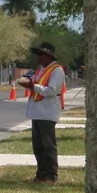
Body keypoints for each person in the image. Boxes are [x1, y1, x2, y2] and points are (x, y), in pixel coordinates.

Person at [19, 42, 65, 183]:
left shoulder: (57, 71)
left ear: (48, 56)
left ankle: (51, 175)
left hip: (48, 112)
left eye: (40, 55)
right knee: (38, 146)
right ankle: (41, 174)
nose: (37, 58)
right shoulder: (41, 70)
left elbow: (52, 91)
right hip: (37, 112)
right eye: (37, 55)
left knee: (48, 146)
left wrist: (32, 85)